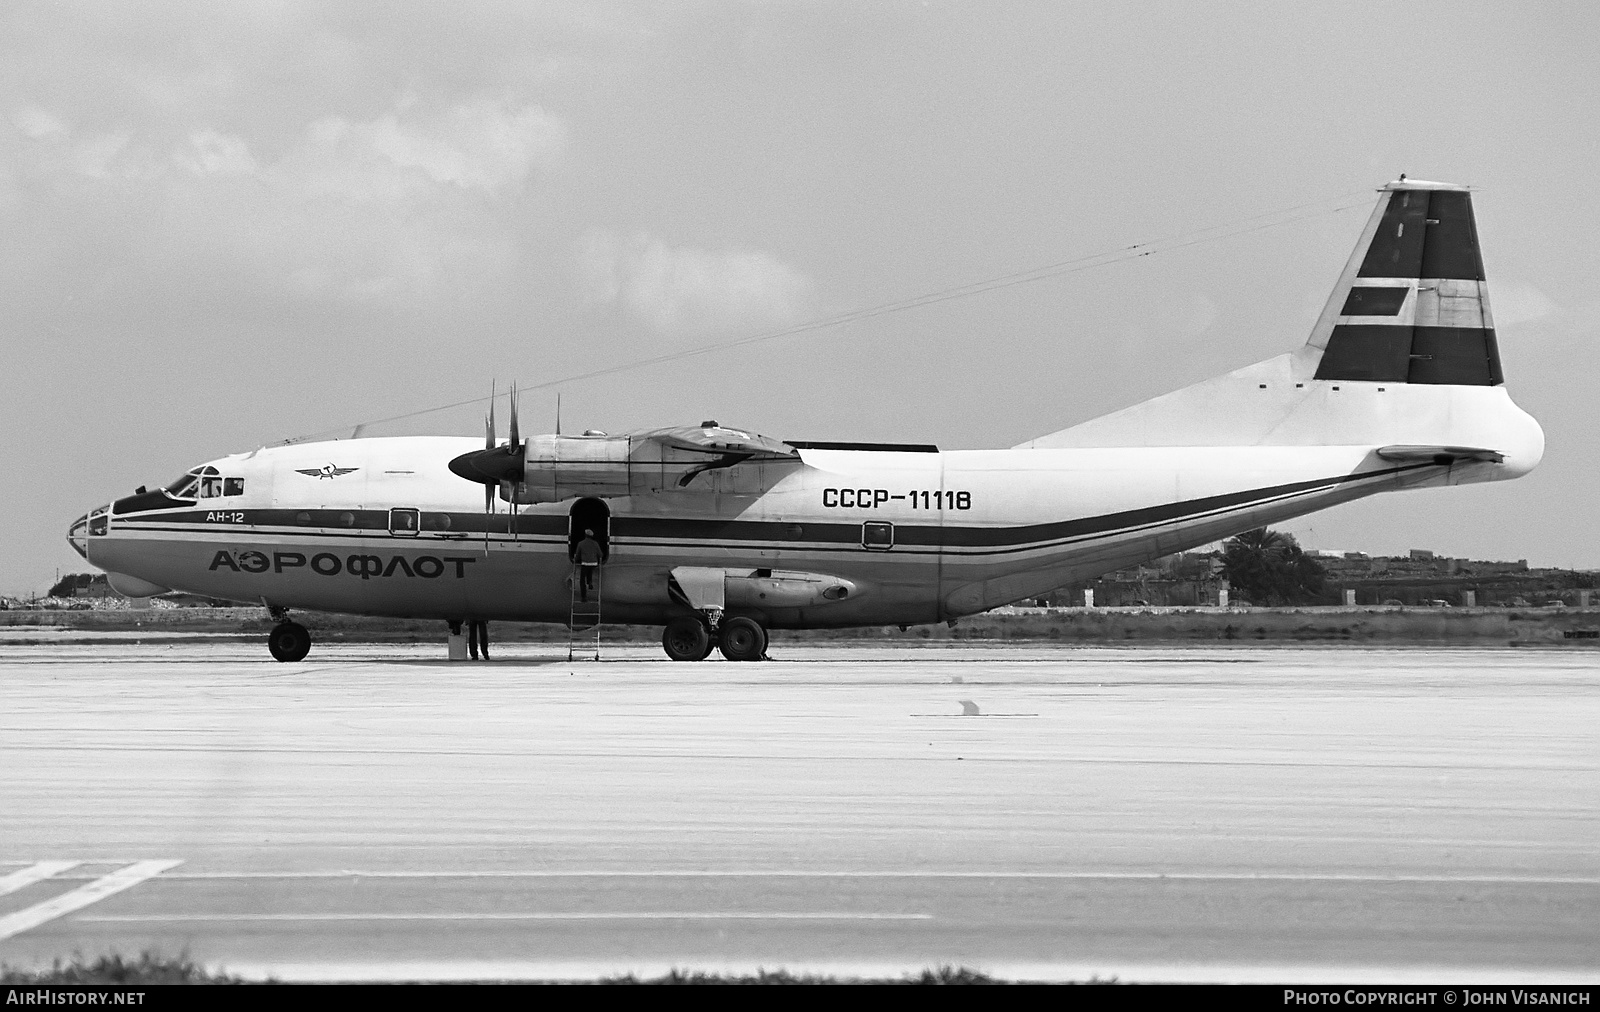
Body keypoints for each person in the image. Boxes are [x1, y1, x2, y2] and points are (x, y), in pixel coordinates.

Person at [575, 529, 603, 601]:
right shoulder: (595, 543)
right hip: (594, 563)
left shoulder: (581, 543)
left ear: (585, 535)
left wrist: (575, 560)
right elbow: (601, 554)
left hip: (585, 563)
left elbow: (577, 555)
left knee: (582, 580)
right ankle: (589, 582)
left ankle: (583, 597)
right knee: (590, 570)